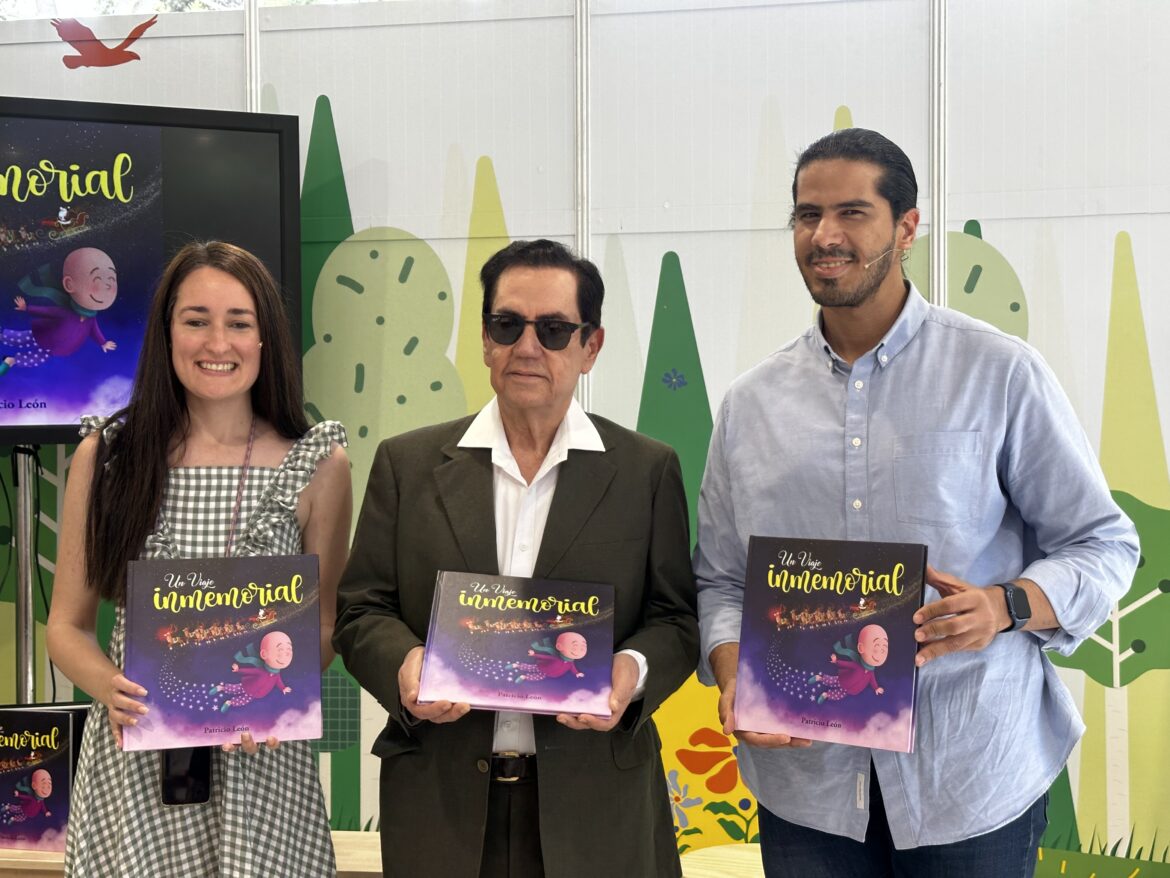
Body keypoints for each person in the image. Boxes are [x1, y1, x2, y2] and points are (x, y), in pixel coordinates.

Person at [694, 128, 1139, 877]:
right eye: (807, 215)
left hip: (968, 775)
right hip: (807, 788)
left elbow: (1104, 542)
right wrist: (736, 671)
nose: (824, 236)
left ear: (907, 228)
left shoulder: (999, 373)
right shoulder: (751, 404)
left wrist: (1007, 605)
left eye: (852, 212)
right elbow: (720, 578)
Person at [333, 238, 698, 878]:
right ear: (484, 339)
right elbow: (362, 610)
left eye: (554, 330)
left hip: (597, 809)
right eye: (507, 325)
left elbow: (676, 619)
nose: (527, 347)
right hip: (441, 805)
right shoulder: (406, 464)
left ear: (591, 346)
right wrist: (405, 665)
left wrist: (632, 672)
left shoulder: (647, 470)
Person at [47, 241, 352, 876]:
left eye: (239, 322)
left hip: (261, 764)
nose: (218, 343)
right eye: (196, 320)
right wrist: (111, 689)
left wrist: (272, 693)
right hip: (136, 764)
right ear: (166, 334)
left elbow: (324, 624)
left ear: (265, 338)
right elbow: (66, 627)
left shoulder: (318, 464)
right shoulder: (108, 456)